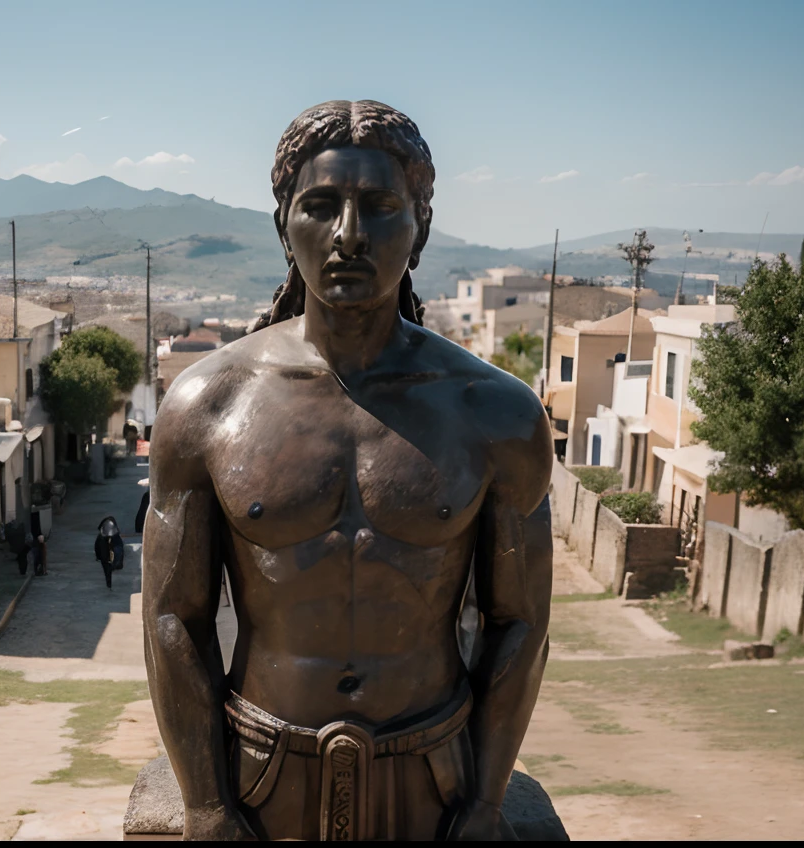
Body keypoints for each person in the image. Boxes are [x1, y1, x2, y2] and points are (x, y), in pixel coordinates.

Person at [143, 100, 553, 841]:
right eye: (322, 205)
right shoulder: (207, 406)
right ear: (283, 226)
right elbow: (175, 618)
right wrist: (205, 804)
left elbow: (520, 622)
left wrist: (487, 802)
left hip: (436, 782)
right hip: (261, 783)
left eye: (379, 207)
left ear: (419, 227)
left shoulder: (497, 415)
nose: (349, 236)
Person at [94, 516, 126, 590]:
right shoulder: (102, 538)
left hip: (107, 535)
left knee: (106, 559)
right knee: (106, 558)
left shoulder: (102, 537)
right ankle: (109, 582)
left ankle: (109, 582)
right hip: (106, 537)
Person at [30, 508, 48, 577]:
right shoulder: (41, 545)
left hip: (36, 548)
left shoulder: (39, 543)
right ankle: (39, 571)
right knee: (37, 561)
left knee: (36, 561)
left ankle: (38, 571)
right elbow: (44, 558)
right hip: (37, 548)